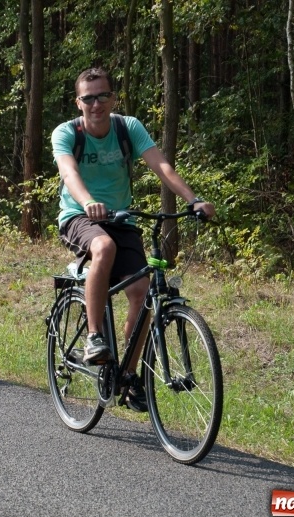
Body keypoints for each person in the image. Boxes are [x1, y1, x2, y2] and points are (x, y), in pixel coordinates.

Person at [51, 67, 215, 412]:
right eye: (88, 98)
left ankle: (126, 376)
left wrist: (193, 200)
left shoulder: (128, 127)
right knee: (103, 247)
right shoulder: (67, 133)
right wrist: (87, 203)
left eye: (103, 96)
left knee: (143, 293)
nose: (96, 104)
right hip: (79, 216)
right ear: (78, 102)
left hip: (120, 217)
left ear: (113, 97)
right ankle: (95, 337)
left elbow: (162, 166)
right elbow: (69, 172)